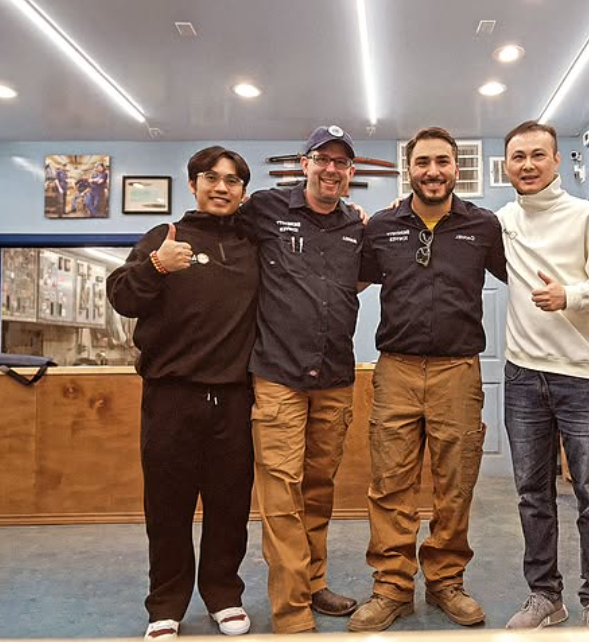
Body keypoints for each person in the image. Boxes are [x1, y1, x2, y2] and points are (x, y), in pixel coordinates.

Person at [348, 127, 507, 632]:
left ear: (456, 168)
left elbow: (525, 278)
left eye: (442, 162)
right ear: (408, 169)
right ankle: (392, 588)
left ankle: (446, 582)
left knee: (455, 484)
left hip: (457, 372)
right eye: (423, 162)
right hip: (395, 369)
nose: (432, 171)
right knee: (389, 485)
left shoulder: (484, 226)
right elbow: (350, 281)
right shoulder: (382, 227)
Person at [107, 146, 258, 642]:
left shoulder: (252, 244)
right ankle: (166, 604)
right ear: (193, 184)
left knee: (229, 506)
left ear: (243, 191)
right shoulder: (165, 237)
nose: (221, 187)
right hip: (170, 397)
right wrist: (155, 265)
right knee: (168, 507)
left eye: (232, 180)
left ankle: (223, 595)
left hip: (234, 398)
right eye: (211, 177)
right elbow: (122, 296)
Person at [497, 121, 589, 629]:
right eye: (518, 156)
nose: (528, 165)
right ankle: (545, 598)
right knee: (532, 495)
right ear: (506, 165)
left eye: (538, 154)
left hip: (581, 377)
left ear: (557, 161)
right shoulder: (503, 221)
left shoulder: (587, 216)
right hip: (522, 378)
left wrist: (570, 295)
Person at [236, 125, 364, 635]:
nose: (331, 169)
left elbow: (356, 281)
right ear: (304, 163)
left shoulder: (356, 225)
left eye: (341, 162)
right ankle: (291, 611)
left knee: (318, 489)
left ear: (350, 172)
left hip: (334, 376)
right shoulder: (265, 209)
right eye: (322, 159)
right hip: (278, 376)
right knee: (282, 493)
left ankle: (313, 583)